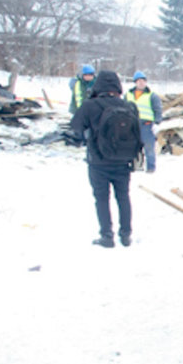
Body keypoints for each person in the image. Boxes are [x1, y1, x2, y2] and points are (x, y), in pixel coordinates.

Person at [70, 70, 142, 248]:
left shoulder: (90, 105)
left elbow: (76, 128)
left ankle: (107, 236)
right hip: (123, 161)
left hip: (98, 161)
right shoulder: (129, 106)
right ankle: (126, 235)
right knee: (123, 197)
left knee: (102, 198)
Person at [124, 71, 163, 173]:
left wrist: (157, 123)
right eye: (139, 81)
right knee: (132, 147)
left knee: (149, 148)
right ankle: (135, 166)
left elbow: (158, 110)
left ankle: (150, 168)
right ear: (135, 82)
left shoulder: (152, 96)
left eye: (143, 81)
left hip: (146, 125)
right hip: (132, 125)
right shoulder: (128, 95)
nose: (141, 83)